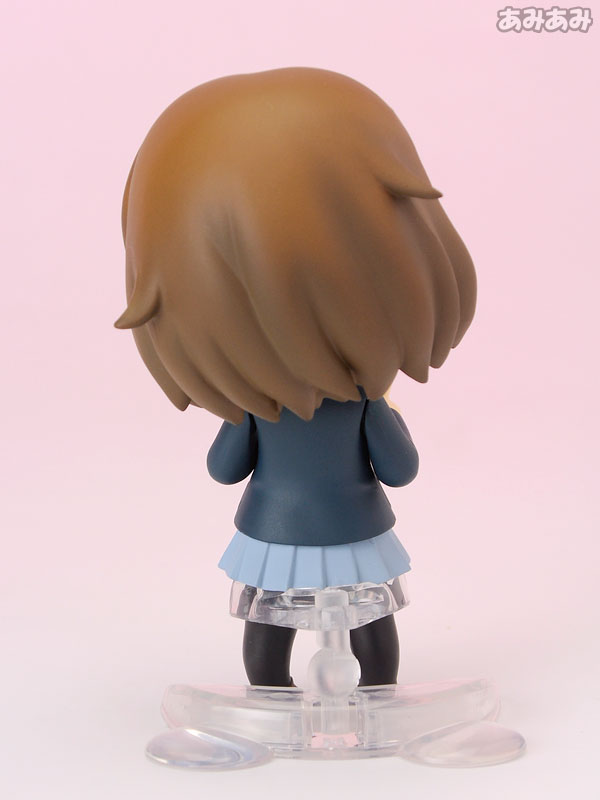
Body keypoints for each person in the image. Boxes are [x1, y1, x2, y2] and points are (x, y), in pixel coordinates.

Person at [115, 66, 476, 687]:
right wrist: (383, 410)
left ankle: (276, 693)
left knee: (269, 623)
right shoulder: (362, 403)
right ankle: (372, 692)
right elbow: (400, 469)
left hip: (273, 530)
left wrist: (239, 415)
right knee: (369, 619)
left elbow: (223, 468)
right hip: (354, 530)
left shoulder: (257, 407)